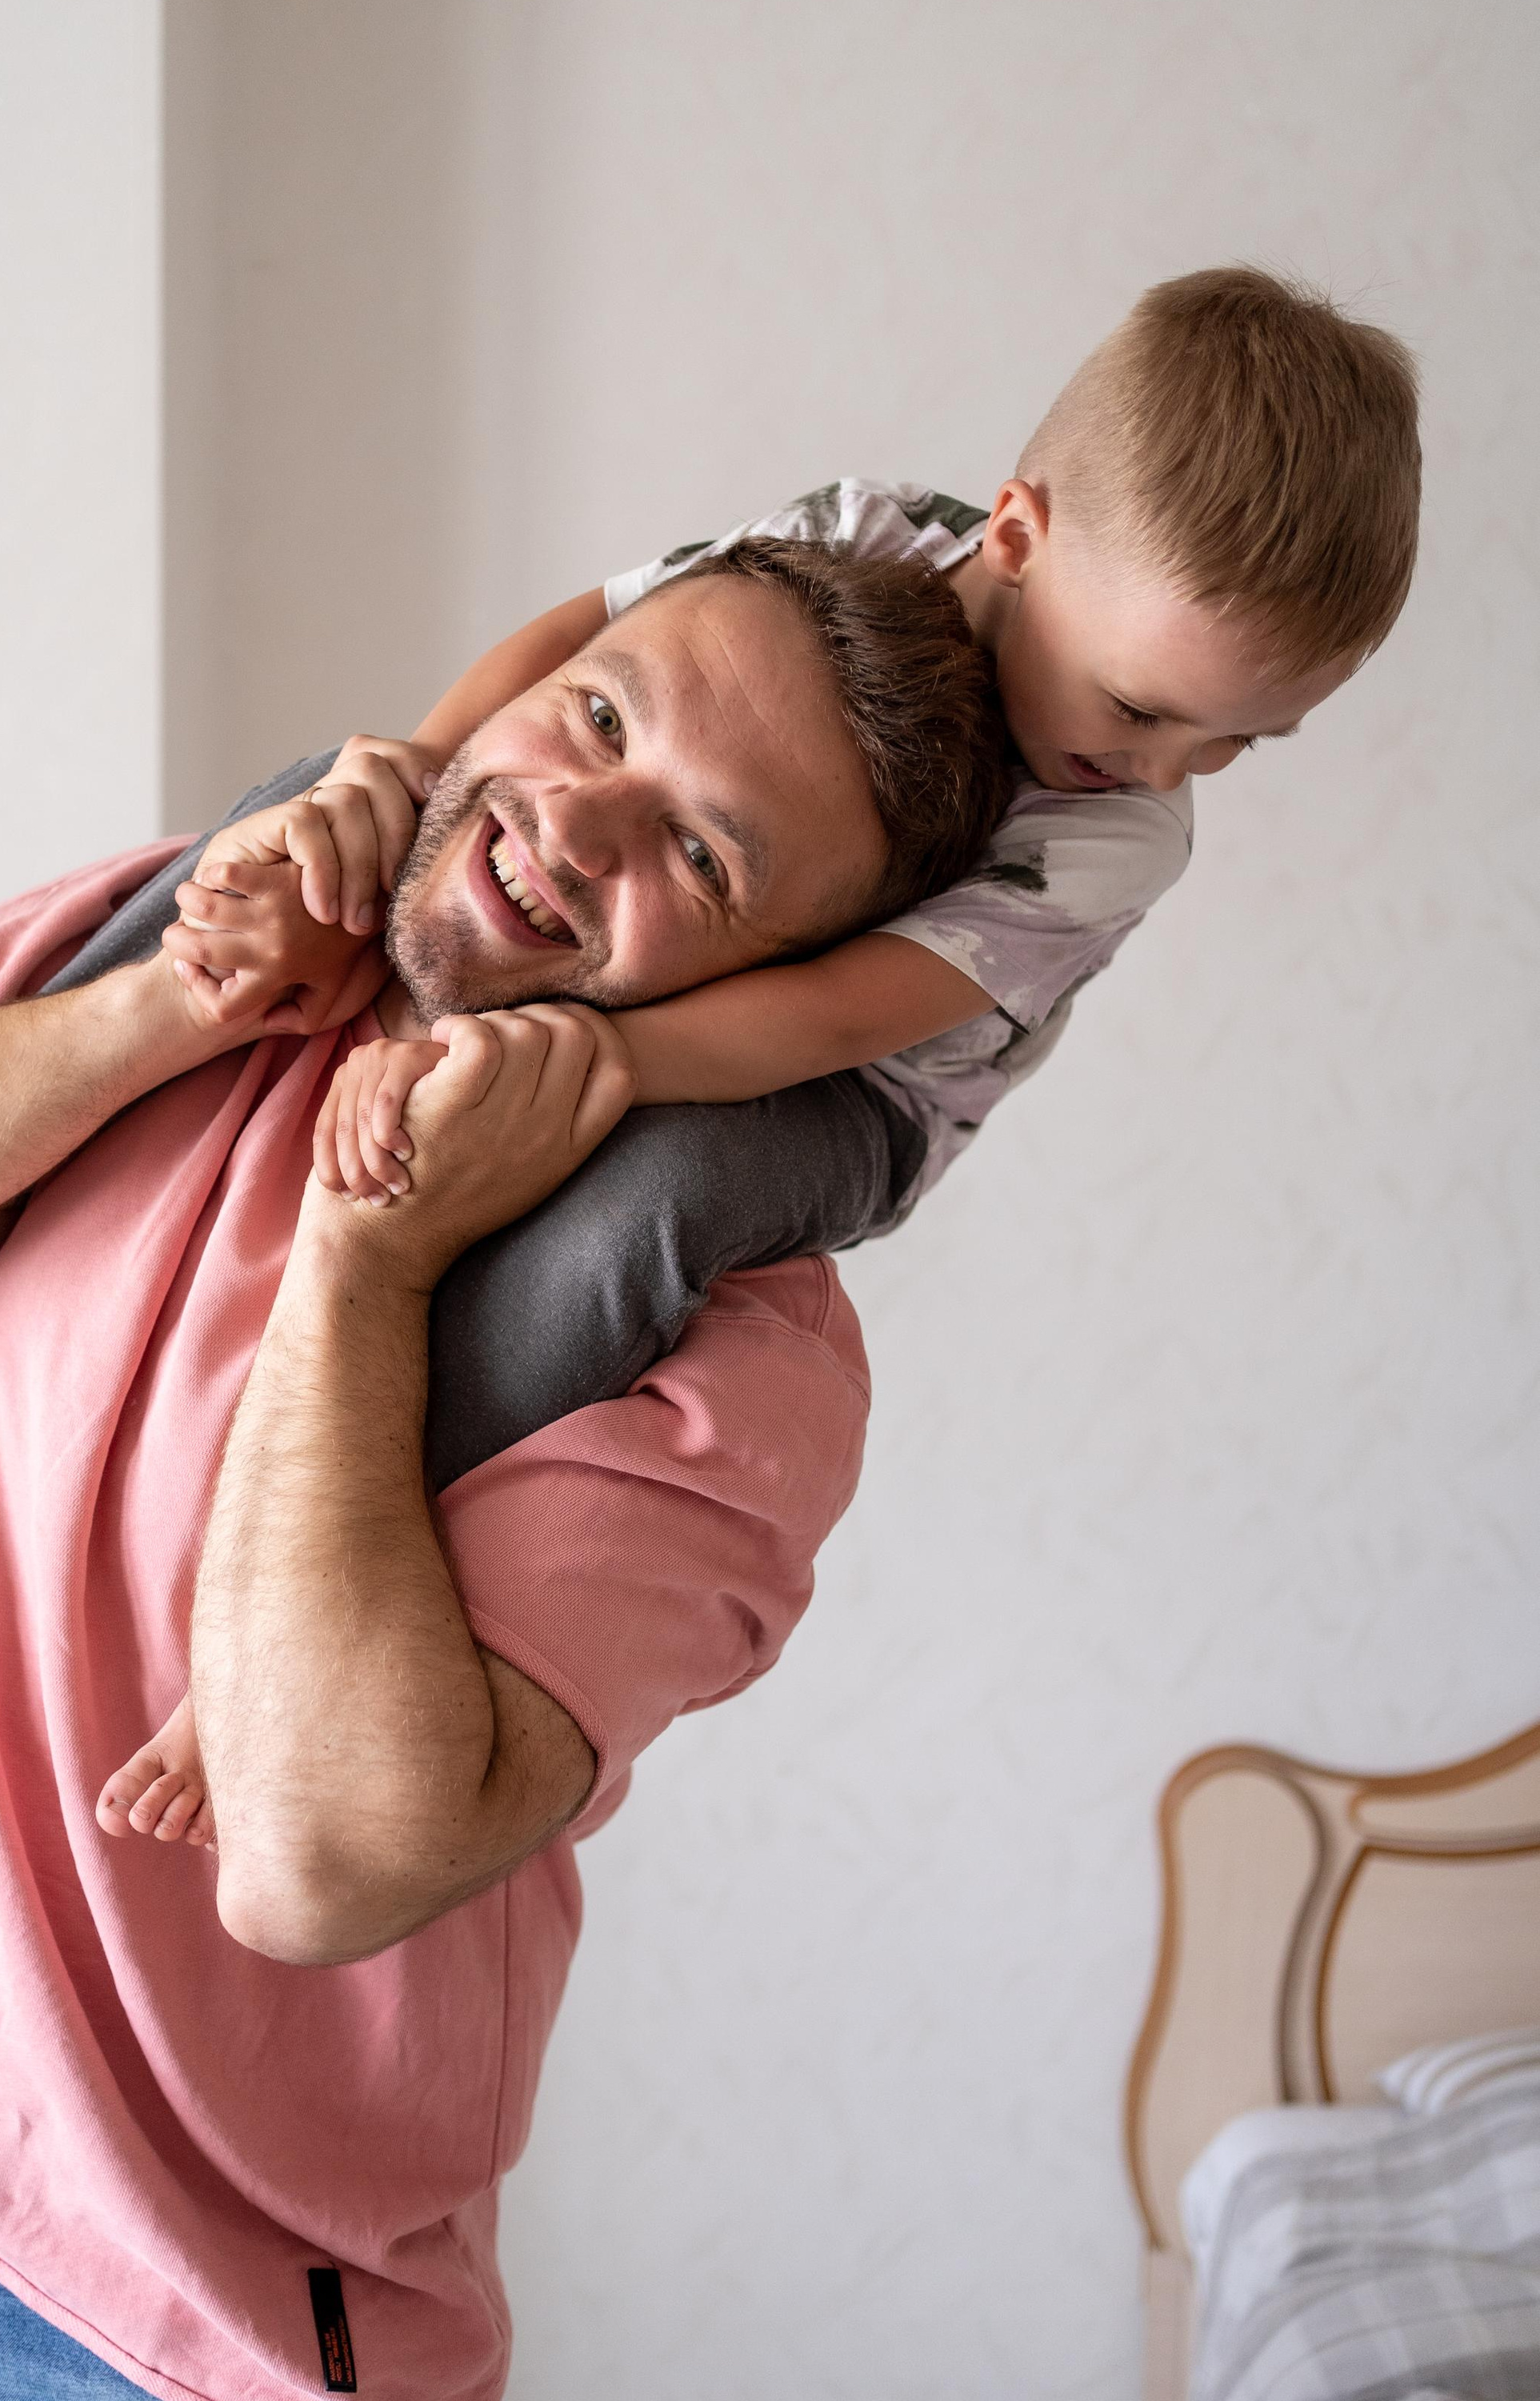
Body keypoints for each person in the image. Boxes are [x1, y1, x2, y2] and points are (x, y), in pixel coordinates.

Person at [0, 542, 1010, 2401]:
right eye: (605, 719)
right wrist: (170, 997)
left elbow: (322, 1850)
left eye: (704, 862)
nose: (579, 826)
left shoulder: (736, 1353)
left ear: (784, 988)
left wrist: (368, 1258)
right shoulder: (209, 926)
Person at [90, 265, 1423, 1847]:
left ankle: (250, 1637)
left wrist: (539, 1061)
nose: (1166, 768)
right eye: (1146, 708)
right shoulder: (861, 531)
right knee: (314, 795)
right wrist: (406, 787)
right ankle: (36, 1103)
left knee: (642, 1202)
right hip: (701, 952)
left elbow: (836, 1016)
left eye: (1231, 744)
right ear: (1011, 535)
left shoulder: (1117, 834)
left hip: (841, 1096)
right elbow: (579, 638)